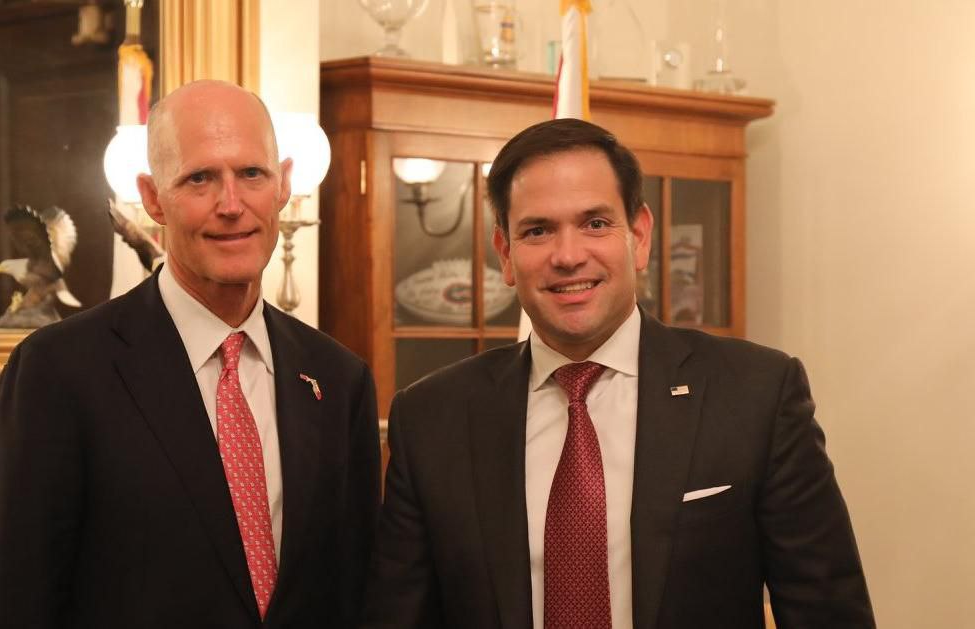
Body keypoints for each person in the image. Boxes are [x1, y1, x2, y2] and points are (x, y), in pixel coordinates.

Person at [361, 118, 874, 629]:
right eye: (538, 231)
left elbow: (827, 611)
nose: (568, 255)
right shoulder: (432, 419)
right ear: (506, 255)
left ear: (640, 235)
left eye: (595, 223)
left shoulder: (756, 394)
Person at [0, 80, 380, 629]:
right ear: (154, 197)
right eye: (200, 178)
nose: (231, 205)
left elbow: (355, 592)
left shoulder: (337, 379)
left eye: (251, 174)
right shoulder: (57, 372)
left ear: (283, 184)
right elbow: (10, 603)